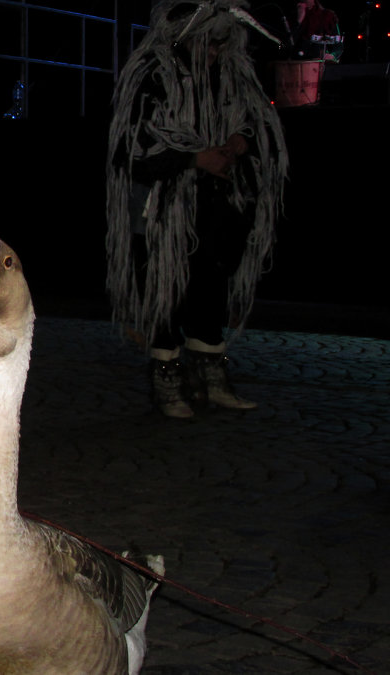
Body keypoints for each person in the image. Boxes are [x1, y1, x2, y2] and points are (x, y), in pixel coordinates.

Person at [106, 0, 289, 418]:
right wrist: (192, 158)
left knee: (209, 287)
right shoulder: (152, 74)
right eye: (206, 44)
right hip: (163, 211)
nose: (212, 52)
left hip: (216, 205)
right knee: (165, 290)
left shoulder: (228, 74)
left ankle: (210, 375)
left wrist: (240, 141)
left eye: (219, 44)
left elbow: (251, 120)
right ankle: (167, 380)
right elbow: (129, 149)